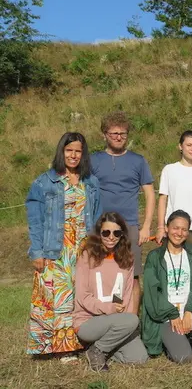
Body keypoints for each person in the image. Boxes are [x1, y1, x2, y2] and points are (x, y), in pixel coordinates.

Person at [25, 132, 101, 359]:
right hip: (55, 250)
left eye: (78, 151)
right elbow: (35, 220)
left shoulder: (91, 182)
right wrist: (37, 251)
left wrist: (95, 247)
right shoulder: (44, 182)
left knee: (80, 296)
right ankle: (62, 348)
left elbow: (96, 218)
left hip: (82, 249)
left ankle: (80, 341)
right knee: (56, 300)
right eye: (69, 150)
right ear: (62, 152)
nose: (74, 155)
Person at [91, 111, 155, 314]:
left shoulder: (138, 161)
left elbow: (150, 194)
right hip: (100, 227)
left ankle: (131, 321)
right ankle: (104, 317)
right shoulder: (93, 161)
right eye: (114, 133)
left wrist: (146, 227)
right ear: (104, 134)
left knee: (132, 275)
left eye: (123, 133)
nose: (119, 137)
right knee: (102, 274)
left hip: (129, 226)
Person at [141, 210, 192, 364]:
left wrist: (190, 310)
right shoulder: (155, 257)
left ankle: (190, 332)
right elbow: (153, 292)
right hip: (166, 317)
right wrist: (172, 314)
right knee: (183, 357)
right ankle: (175, 337)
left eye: (184, 229)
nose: (179, 233)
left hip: (188, 311)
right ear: (167, 228)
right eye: (175, 228)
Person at [74, 212, 148, 371]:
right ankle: (97, 350)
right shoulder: (87, 256)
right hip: (88, 321)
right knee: (132, 320)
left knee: (139, 358)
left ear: (122, 235)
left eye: (117, 233)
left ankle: (100, 348)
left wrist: (126, 323)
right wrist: (111, 308)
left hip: (117, 320)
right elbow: (83, 296)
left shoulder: (126, 258)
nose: (111, 237)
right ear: (99, 233)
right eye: (106, 232)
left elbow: (125, 294)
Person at [156, 130, 192, 261]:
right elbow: (163, 199)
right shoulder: (169, 170)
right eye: (189, 145)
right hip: (173, 228)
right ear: (180, 146)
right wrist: (161, 227)